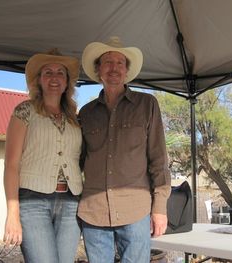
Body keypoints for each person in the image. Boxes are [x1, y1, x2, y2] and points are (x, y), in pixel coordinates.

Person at [78, 36, 171, 263]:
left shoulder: (147, 105)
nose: (114, 68)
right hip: (93, 213)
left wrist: (160, 208)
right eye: (108, 62)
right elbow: (76, 162)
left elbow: (159, 160)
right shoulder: (85, 113)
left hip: (136, 212)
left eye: (120, 63)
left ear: (126, 71)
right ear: (98, 70)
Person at [3, 49, 83, 262]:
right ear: (38, 80)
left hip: (71, 203)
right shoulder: (24, 111)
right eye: (48, 72)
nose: (54, 77)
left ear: (67, 82)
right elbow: (11, 165)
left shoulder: (75, 118)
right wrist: (12, 214)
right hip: (33, 202)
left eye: (60, 73)